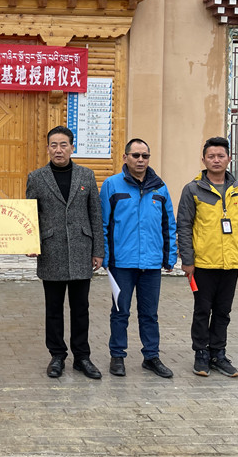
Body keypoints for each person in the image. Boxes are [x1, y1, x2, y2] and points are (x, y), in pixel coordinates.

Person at [25, 126, 104, 379]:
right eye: (53, 145)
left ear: (72, 147)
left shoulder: (86, 175)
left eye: (63, 145)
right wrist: (30, 242)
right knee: (54, 309)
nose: (58, 150)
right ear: (48, 148)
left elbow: (95, 214)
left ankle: (82, 357)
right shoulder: (37, 177)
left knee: (81, 308)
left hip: (81, 249)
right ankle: (57, 355)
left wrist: (98, 250)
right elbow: (30, 214)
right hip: (51, 250)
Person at [177, 136, 238, 378]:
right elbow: (184, 226)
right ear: (203, 160)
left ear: (229, 158)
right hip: (203, 263)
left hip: (230, 262)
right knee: (202, 310)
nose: (216, 160)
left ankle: (218, 354)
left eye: (220, 156)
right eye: (211, 156)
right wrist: (187, 260)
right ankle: (201, 353)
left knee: (223, 311)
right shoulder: (193, 189)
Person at [100, 138, 177, 379]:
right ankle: (117, 356)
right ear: (125, 157)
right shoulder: (112, 185)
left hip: (151, 264)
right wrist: (104, 257)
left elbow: (168, 224)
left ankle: (151, 356)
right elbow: (103, 224)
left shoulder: (160, 187)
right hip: (121, 263)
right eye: (135, 155)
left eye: (145, 156)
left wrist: (169, 256)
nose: (140, 160)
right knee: (120, 312)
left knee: (149, 314)